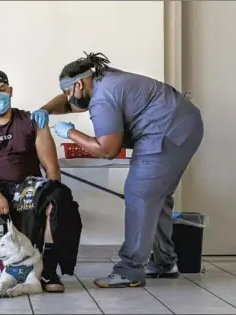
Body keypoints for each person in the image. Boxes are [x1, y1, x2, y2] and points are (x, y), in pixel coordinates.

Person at [30, 52, 204, 288]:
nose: (68, 98)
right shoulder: (102, 80)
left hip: (166, 132)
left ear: (79, 84)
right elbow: (71, 102)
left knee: (139, 194)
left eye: (68, 92)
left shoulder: (103, 98)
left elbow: (106, 150)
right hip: (183, 124)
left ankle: (130, 270)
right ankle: (164, 262)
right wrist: (45, 110)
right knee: (157, 197)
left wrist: (70, 133)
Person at [0, 70, 81, 294]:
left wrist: (53, 193)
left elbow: (51, 167)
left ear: (10, 91)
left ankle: (48, 272)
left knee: (56, 205)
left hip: (27, 188)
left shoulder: (32, 122)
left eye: (2, 89)